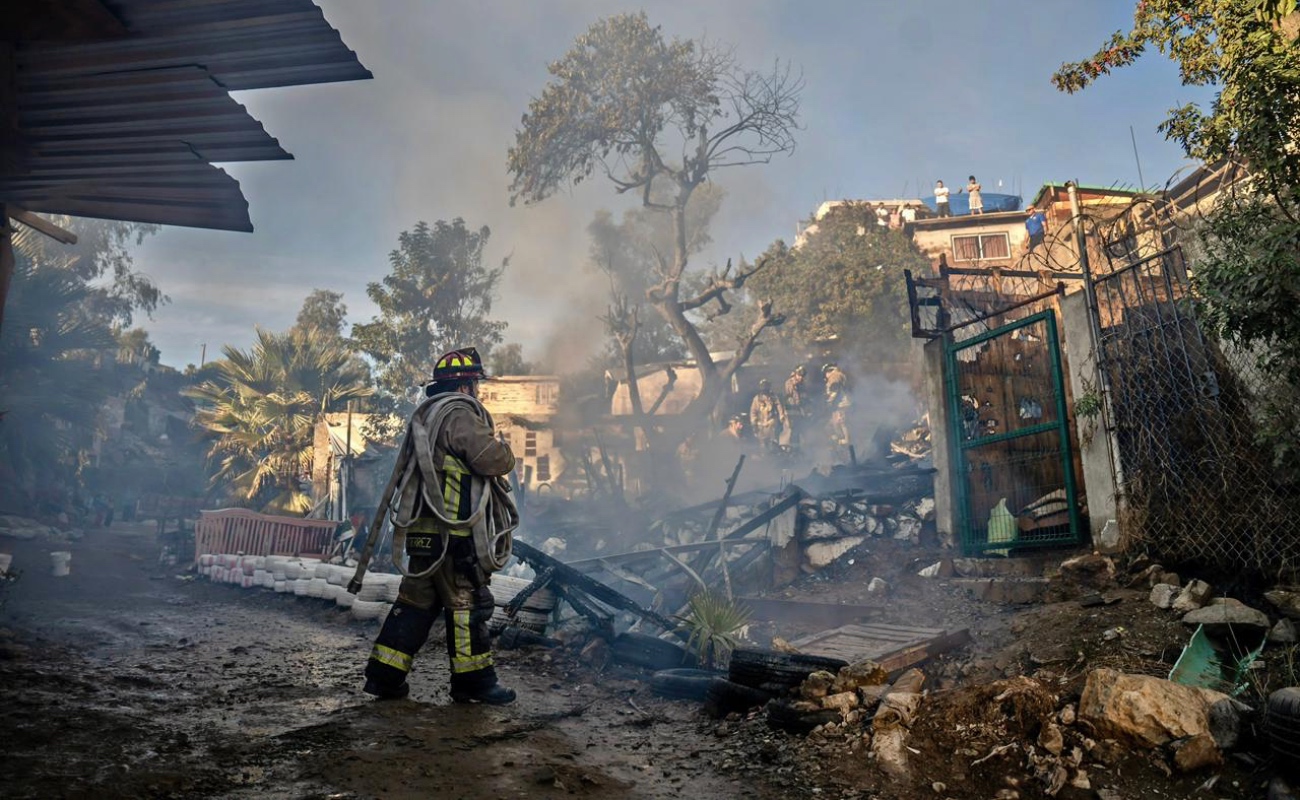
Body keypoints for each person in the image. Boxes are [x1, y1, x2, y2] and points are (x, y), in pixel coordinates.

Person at [363, 347, 519, 705]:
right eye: (475, 384)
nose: (477, 392)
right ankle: (474, 683)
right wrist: (505, 449)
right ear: (465, 386)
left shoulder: (428, 416)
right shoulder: (459, 415)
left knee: (415, 603)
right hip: (455, 535)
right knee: (468, 604)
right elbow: (491, 460)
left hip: (423, 531)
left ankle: (384, 677)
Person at [749, 379, 788, 453]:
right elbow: (753, 412)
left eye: (766, 386)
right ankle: (764, 456)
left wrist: (781, 416)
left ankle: (773, 454)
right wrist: (754, 422)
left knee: (773, 441)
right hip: (761, 424)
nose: (765, 389)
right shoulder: (757, 399)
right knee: (762, 443)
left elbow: (779, 406)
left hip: (771, 423)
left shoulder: (773, 397)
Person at [823, 363, 853, 449]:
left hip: (841, 405)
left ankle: (844, 440)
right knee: (834, 424)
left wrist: (828, 402)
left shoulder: (834, 376)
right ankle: (839, 440)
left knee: (841, 423)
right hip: (841, 405)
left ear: (828, 371)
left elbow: (834, 390)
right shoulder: (839, 375)